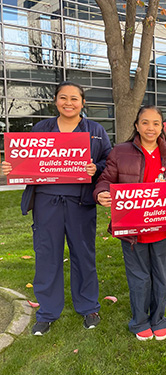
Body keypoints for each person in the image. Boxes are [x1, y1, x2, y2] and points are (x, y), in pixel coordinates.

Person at [1, 81, 111, 335]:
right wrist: (12, 168)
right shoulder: (42, 128)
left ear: (83, 102)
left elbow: (109, 159)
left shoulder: (94, 130)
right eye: (63, 98)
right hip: (46, 202)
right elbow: (25, 160)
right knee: (47, 256)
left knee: (83, 256)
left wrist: (97, 169)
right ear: (55, 100)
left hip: (80, 203)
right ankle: (48, 311)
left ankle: (88, 307)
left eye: (74, 98)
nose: (69, 103)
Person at [94, 105, 166, 341]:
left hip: (163, 230)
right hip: (133, 231)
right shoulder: (120, 152)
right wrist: (101, 193)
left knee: (161, 277)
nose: (150, 128)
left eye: (156, 123)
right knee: (139, 278)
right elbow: (105, 180)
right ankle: (139, 321)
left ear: (161, 127)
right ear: (137, 125)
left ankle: (158, 319)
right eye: (145, 122)